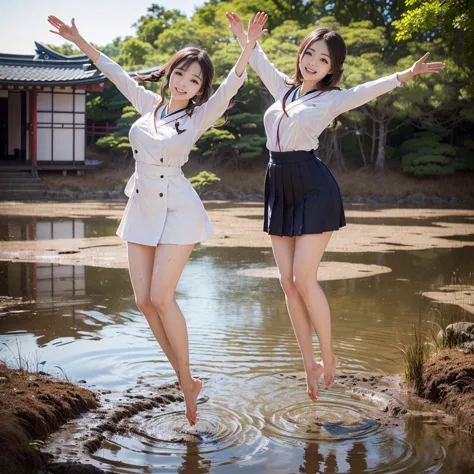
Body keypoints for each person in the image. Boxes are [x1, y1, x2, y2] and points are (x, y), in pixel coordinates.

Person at [48, 14, 266, 426]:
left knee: (163, 298)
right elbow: (114, 73)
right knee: (145, 303)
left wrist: (247, 46)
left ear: (201, 90)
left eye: (195, 80)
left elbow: (233, 82)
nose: (184, 82)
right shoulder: (149, 105)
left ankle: (186, 384)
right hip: (142, 206)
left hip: (179, 210)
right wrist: (80, 40)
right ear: (170, 73)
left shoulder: (197, 117)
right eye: (181, 73)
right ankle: (188, 382)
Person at [226, 11, 445, 402]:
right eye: (309, 53)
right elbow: (258, 62)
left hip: (313, 186)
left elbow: (369, 90)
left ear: (331, 69)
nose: (312, 62)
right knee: (287, 284)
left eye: (323, 59)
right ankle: (308, 362)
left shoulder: (332, 99)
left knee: (304, 278)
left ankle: (330, 357)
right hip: (278, 184)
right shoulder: (285, 91)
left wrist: (405, 75)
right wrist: (244, 36)